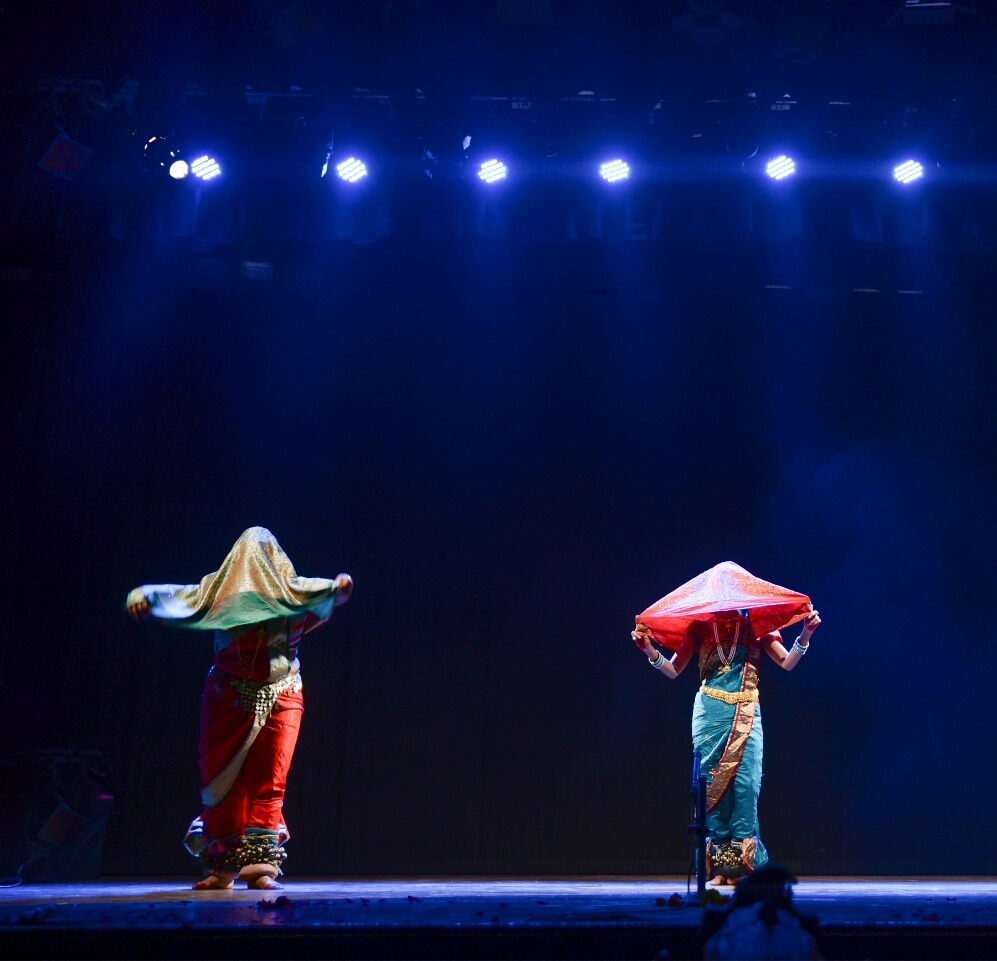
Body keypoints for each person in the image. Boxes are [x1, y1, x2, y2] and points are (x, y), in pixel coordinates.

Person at [126, 527, 353, 890]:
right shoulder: (220, 593)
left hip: (283, 693)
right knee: (220, 781)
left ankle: (261, 865)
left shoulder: (293, 592)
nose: (255, 564)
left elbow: (333, 593)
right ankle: (221, 865)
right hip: (227, 696)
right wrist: (143, 597)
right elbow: (176, 596)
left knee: (270, 778)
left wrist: (341, 587)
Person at [632, 601, 820, 887]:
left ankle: (743, 869)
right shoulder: (699, 627)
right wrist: (649, 650)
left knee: (746, 786)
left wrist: (806, 633)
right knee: (711, 789)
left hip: (746, 712)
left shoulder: (757, 624)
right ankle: (721, 869)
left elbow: (787, 662)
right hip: (709, 714)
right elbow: (673, 669)